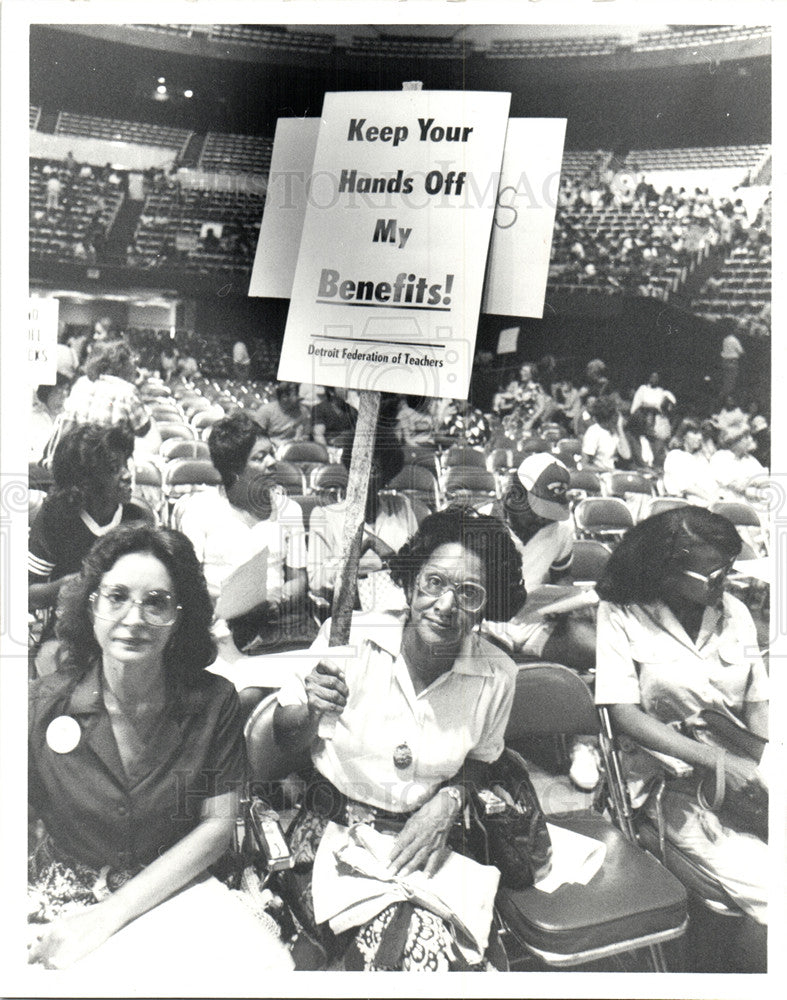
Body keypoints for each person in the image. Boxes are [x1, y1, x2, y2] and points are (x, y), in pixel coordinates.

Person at [27, 524, 293, 972]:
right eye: (116, 597)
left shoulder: (215, 701)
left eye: (156, 603)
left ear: (180, 618)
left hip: (176, 884)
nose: (134, 619)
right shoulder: (38, 704)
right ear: (91, 605)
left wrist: (111, 914)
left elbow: (216, 827)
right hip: (65, 888)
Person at [273, 506, 525, 970]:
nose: (447, 605)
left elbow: (483, 758)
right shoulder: (348, 636)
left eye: (469, 593)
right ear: (410, 585)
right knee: (407, 948)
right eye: (434, 583)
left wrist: (449, 800)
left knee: (449, 952)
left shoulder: (498, 675)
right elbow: (286, 740)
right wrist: (310, 709)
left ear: (486, 607)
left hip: (427, 839)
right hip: (330, 831)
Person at [594, 507, 768, 966]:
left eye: (730, 568)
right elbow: (623, 714)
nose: (726, 581)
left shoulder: (735, 612)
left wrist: (767, 770)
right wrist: (715, 763)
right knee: (774, 887)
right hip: (671, 785)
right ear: (667, 568)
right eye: (715, 572)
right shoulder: (622, 614)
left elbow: (757, 700)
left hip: (743, 772)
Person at [179, 411, 309, 654]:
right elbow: (189, 582)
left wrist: (283, 596)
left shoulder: (289, 510)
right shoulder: (198, 510)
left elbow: (298, 578)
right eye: (260, 457)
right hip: (216, 626)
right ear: (234, 470)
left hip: (273, 625)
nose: (272, 462)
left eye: (272, 453)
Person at [29, 423, 154, 674]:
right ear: (84, 482)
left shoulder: (138, 516)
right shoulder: (56, 517)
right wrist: (72, 585)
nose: (127, 474)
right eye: (113, 469)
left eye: (126, 463)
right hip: (69, 633)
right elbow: (27, 594)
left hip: (128, 625)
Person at [308, 427, 418, 607]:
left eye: (373, 468)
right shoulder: (325, 517)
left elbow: (418, 565)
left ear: (386, 476)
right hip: (351, 611)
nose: (362, 476)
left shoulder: (402, 507)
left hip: (401, 607)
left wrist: (394, 561)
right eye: (358, 467)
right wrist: (367, 544)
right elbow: (317, 583)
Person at [59, 339, 161, 456]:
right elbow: (147, 434)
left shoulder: (80, 384)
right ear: (124, 365)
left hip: (80, 461)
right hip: (111, 463)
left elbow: (67, 428)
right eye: (133, 364)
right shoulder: (127, 391)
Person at [662, 418, 719, 504]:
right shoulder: (675, 456)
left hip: (705, 500)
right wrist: (710, 498)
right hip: (685, 503)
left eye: (701, 433)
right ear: (683, 435)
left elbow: (710, 481)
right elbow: (686, 487)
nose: (700, 437)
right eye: (695, 433)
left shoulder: (700, 457)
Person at [709, 426, 767, 502]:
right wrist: (754, 482)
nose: (750, 440)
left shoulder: (750, 459)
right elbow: (738, 487)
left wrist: (749, 482)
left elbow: (765, 481)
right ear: (735, 441)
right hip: (728, 503)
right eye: (746, 437)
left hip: (751, 503)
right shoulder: (720, 457)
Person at [253, 381, 310, 451]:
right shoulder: (266, 411)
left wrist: (300, 438)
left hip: (295, 450)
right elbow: (257, 437)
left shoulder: (303, 411)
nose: (299, 398)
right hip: (271, 450)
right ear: (284, 397)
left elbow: (306, 434)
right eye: (296, 394)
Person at [581, 396, 620, 471]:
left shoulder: (616, 431)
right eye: (616, 413)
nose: (618, 416)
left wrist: (620, 428)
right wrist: (607, 470)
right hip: (600, 475)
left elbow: (626, 455)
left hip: (616, 474)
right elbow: (585, 465)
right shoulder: (594, 432)